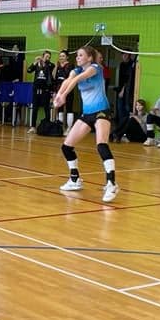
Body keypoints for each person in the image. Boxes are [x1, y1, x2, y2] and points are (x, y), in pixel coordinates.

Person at [51, 45, 119, 203]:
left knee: (101, 145)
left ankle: (112, 183)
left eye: (81, 55)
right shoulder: (76, 70)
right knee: (66, 147)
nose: (77, 57)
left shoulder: (96, 68)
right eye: (77, 55)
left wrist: (64, 95)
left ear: (89, 57)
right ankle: (75, 179)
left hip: (101, 111)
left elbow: (76, 80)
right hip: (87, 114)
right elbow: (68, 80)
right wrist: (58, 95)